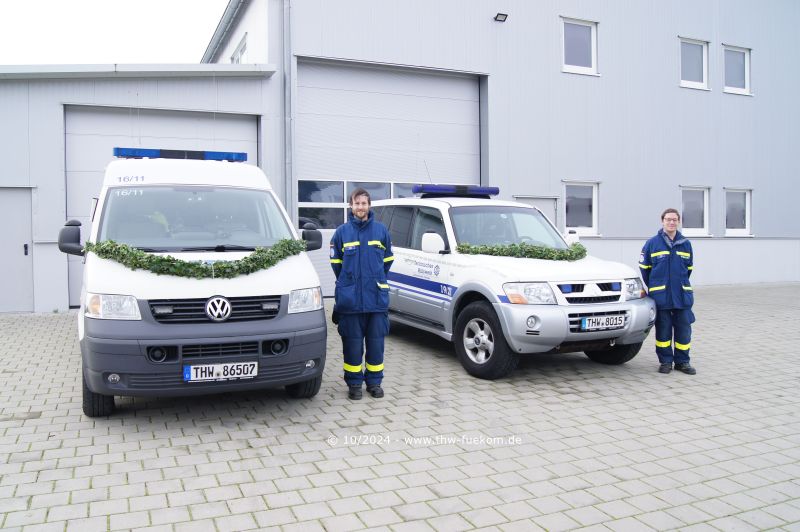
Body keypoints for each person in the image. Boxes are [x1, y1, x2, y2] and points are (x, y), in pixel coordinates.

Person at [330, 188, 394, 399]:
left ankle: (374, 383)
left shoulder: (381, 231)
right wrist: (350, 285)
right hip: (350, 302)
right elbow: (336, 265)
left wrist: (374, 280)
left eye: (363, 203)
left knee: (376, 344)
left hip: (375, 299)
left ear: (369, 205)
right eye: (356, 204)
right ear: (351, 206)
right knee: (352, 344)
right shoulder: (341, 233)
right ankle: (354, 385)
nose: (360, 207)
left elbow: (387, 262)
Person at [639, 208, 697, 375]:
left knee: (684, 331)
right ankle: (665, 362)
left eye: (674, 220)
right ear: (662, 221)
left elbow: (689, 269)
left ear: (678, 222)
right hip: (661, 296)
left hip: (682, 296)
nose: (671, 222)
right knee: (663, 331)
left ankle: (682, 362)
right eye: (668, 219)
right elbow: (645, 269)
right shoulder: (652, 243)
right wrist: (657, 285)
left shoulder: (686, 244)